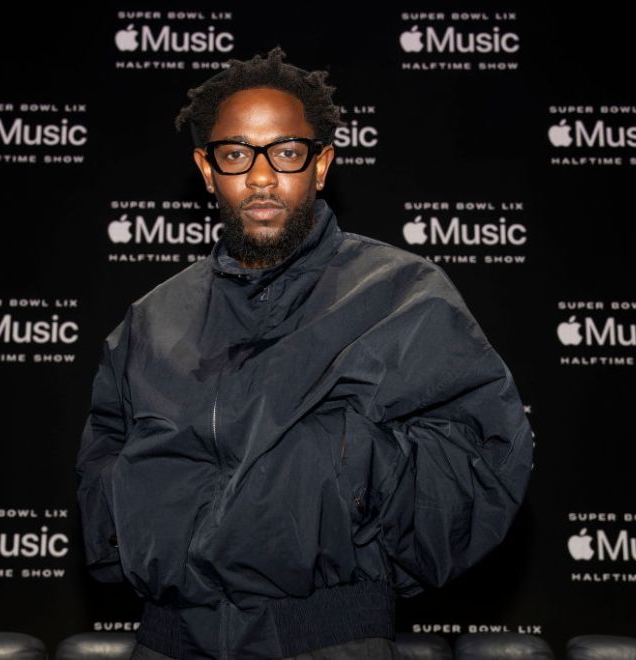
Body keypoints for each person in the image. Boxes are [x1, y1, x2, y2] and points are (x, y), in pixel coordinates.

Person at [76, 46, 534, 660]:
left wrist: (345, 474)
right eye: (236, 154)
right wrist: (138, 524)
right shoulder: (153, 317)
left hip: (331, 638)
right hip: (168, 639)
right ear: (207, 169)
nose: (261, 176)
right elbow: (103, 457)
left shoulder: (401, 295)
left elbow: (484, 458)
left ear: (319, 166)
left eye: (285, 152)